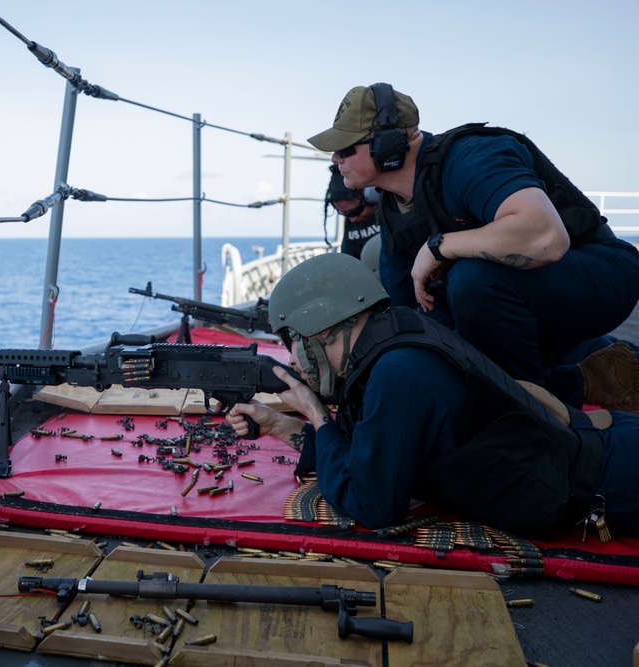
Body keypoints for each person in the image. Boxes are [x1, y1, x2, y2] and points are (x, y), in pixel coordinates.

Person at [226, 253, 639, 538]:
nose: (293, 359)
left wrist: (317, 414)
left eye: (291, 341)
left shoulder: (396, 374)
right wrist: (282, 425)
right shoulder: (391, 345)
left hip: (612, 478)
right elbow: (365, 453)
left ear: (316, 331)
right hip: (604, 451)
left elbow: (373, 506)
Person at [307, 83, 639, 412]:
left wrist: (439, 247)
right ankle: (595, 371)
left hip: (603, 273)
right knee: (434, 330)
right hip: (539, 300)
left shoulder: (469, 158)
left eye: (347, 147)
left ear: (391, 143)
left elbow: (546, 237)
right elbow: (402, 312)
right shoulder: (393, 210)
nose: (335, 158)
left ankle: (526, 417)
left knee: (474, 278)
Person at [325, 164, 380, 259]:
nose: (352, 219)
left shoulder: (390, 216)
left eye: (355, 212)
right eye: (345, 214)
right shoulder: (351, 227)